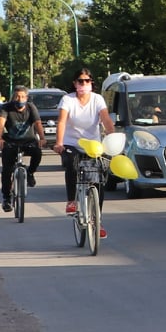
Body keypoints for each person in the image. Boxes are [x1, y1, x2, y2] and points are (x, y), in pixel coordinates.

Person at [55, 69, 116, 234]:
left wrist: (113, 139)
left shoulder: (97, 99)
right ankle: (71, 201)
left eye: (87, 81)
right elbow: (62, 122)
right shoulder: (67, 99)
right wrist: (59, 143)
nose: (84, 84)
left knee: (98, 180)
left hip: (93, 145)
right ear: (75, 83)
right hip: (71, 143)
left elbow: (106, 120)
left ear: (91, 83)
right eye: (80, 81)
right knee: (71, 163)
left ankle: (97, 221)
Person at [0, 86, 47, 212]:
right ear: (13, 97)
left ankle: (30, 173)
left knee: (37, 153)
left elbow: (37, 123)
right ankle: (6, 198)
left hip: (29, 141)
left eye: (23, 97)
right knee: (6, 171)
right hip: (11, 142)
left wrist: (42, 138)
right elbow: (1, 123)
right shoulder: (6, 108)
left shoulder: (31, 107)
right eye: (17, 96)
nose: (20, 99)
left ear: (27, 98)